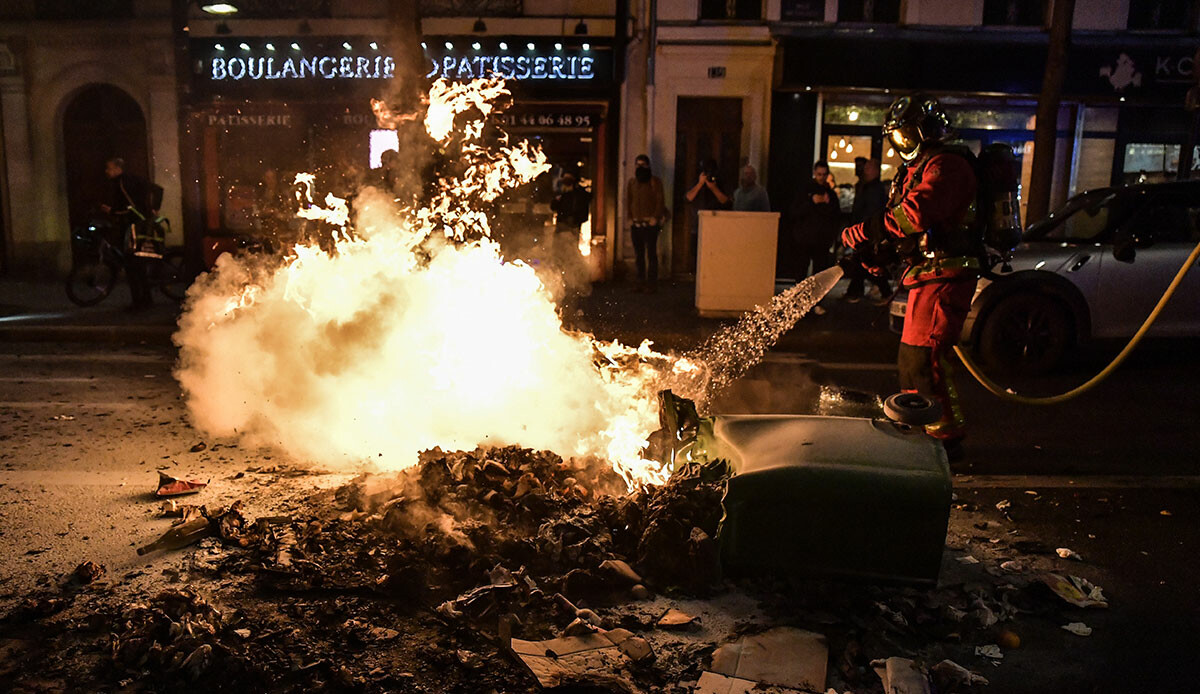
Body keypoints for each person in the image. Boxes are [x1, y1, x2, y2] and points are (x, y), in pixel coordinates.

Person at [841, 93, 979, 461]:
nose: (902, 144)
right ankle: (921, 431)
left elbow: (915, 214)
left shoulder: (947, 165)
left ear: (927, 130)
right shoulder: (919, 168)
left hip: (947, 273)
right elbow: (909, 228)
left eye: (905, 135)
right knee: (910, 359)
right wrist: (881, 254)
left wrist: (866, 231)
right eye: (897, 137)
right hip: (927, 273)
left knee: (925, 358)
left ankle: (945, 442)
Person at [99, 157, 156, 310]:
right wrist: (154, 208)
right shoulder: (132, 179)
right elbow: (157, 189)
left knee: (132, 264)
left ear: (118, 169)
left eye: (109, 168)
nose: (107, 171)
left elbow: (131, 208)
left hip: (134, 227)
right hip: (139, 225)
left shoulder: (123, 183)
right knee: (137, 264)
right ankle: (146, 299)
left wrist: (112, 211)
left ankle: (139, 302)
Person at [790, 161, 842, 314]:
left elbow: (835, 216)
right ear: (814, 173)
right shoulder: (807, 192)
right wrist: (812, 202)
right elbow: (795, 212)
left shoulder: (830, 195)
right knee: (802, 271)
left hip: (819, 239)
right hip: (806, 238)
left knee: (818, 272)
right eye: (819, 174)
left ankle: (812, 303)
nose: (821, 177)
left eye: (823, 174)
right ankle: (801, 303)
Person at [842, 158, 892, 303]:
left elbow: (871, 212)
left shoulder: (873, 189)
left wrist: (865, 229)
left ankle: (861, 292)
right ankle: (857, 291)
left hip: (867, 231)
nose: (865, 170)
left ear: (875, 171)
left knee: (864, 261)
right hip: (865, 230)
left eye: (868, 168)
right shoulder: (868, 187)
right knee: (863, 261)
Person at [625, 154, 668, 293]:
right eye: (638, 165)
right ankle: (640, 281)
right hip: (636, 223)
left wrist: (655, 217)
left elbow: (660, 201)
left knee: (651, 254)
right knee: (639, 255)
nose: (640, 167)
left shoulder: (655, 182)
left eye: (643, 165)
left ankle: (651, 283)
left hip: (650, 224)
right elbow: (628, 200)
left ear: (648, 166)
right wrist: (630, 217)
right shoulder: (632, 183)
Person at [549, 167, 593, 296]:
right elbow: (553, 207)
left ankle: (575, 282)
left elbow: (584, 206)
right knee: (559, 255)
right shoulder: (562, 194)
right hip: (561, 229)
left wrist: (574, 222)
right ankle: (563, 281)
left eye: (568, 178)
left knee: (571, 255)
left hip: (571, 229)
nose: (565, 181)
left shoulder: (579, 195)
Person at [685, 158, 730, 270]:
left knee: (713, 256)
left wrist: (713, 188)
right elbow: (688, 198)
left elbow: (725, 201)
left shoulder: (719, 181)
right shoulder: (696, 181)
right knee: (696, 256)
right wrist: (700, 184)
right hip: (697, 225)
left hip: (715, 226)